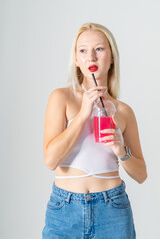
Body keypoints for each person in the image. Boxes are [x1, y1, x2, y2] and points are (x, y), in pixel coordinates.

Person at [42, 22, 147, 239]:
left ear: (112, 58)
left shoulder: (124, 111)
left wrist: (121, 150)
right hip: (65, 209)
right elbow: (51, 160)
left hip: (113, 210)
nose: (91, 57)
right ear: (77, 61)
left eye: (99, 49)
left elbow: (141, 174)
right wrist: (82, 115)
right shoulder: (61, 98)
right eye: (83, 50)